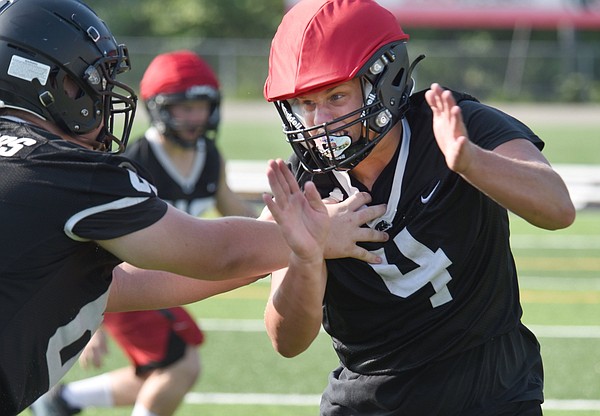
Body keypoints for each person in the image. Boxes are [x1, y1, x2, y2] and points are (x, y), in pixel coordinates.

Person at [0, 1, 389, 414]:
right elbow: (218, 253)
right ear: (48, 83)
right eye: (92, 84)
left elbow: (120, 285)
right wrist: (318, 235)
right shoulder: (65, 170)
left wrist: (266, 248)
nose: (102, 100)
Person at [261, 0, 576, 415]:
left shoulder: (455, 123)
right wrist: (306, 256)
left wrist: (472, 163)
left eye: (336, 96)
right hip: (370, 398)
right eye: (306, 104)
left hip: (490, 391)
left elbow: (558, 207)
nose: (320, 121)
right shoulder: (303, 185)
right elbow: (287, 342)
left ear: (383, 82)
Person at [30, 50, 259, 416]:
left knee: (164, 370)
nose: (194, 117)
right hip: (119, 279)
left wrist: (284, 228)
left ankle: (62, 402)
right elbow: (92, 241)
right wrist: (91, 317)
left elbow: (238, 212)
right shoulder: (136, 163)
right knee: (180, 366)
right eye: (184, 107)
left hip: (162, 282)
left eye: (201, 106)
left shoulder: (210, 157)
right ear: (159, 108)